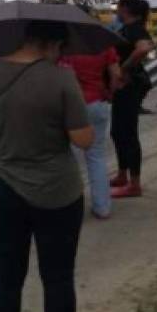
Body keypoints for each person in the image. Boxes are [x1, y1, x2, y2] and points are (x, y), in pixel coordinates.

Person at [0, 20, 93, 312]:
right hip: (57, 190)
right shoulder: (61, 78)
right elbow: (83, 139)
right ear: (50, 44)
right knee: (58, 279)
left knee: (4, 280)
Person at [60, 33, 122, 220]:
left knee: (69, 156)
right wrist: (110, 92)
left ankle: (68, 205)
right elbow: (117, 74)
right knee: (96, 156)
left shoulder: (65, 47)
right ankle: (102, 207)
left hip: (72, 105)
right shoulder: (103, 45)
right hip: (97, 103)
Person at [109, 0, 154, 199]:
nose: (116, 9)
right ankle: (122, 174)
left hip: (130, 85)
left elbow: (144, 48)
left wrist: (124, 69)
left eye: (118, 6)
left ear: (125, 8)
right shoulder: (128, 27)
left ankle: (134, 183)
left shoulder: (135, 28)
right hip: (123, 87)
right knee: (118, 131)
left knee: (127, 132)